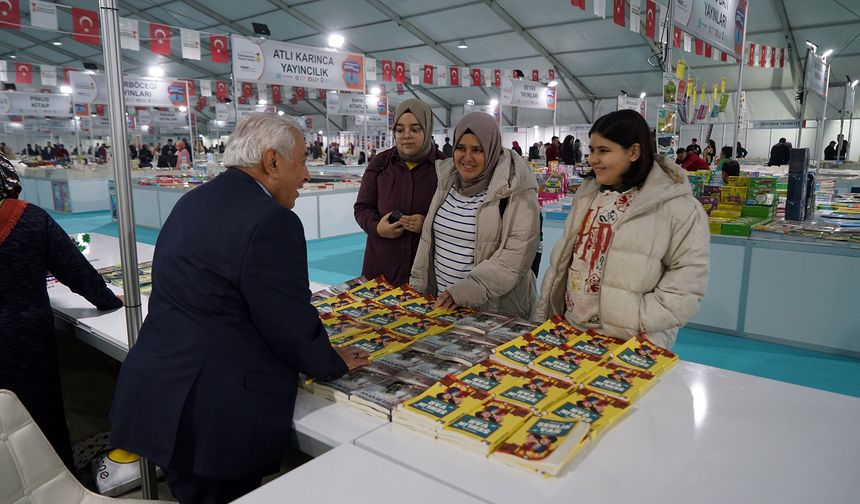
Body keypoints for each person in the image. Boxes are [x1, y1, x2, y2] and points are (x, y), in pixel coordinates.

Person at [109, 114, 368, 503]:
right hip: (215, 412)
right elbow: (287, 320)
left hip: (164, 393)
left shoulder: (194, 200)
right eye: (300, 161)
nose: (306, 174)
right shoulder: (271, 222)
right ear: (272, 161)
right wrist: (329, 361)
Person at [536, 110, 709, 350]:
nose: (593, 159)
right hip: (571, 329)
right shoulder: (588, 194)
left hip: (630, 340)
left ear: (634, 152)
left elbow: (687, 281)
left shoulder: (677, 207)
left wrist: (639, 319)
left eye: (603, 151)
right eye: (591, 150)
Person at [0, 153, 122, 471]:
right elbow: (78, 273)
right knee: (38, 420)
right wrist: (113, 304)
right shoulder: (29, 219)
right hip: (24, 344)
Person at [409, 112, 540, 320]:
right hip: (445, 307)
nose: (467, 157)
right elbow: (427, 243)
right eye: (461, 148)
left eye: (477, 150)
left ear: (492, 150)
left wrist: (464, 292)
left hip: (494, 312)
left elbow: (515, 258)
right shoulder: (447, 181)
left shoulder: (517, 191)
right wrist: (418, 288)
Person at [354, 99, 442, 286]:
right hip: (382, 268)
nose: (406, 136)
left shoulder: (444, 167)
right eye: (400, 130)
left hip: (427, 270)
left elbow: (458, 216)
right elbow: (362, 207)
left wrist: (427, 225)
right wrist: (377, 227)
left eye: (415, 129)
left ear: (427, 130)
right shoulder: (381, 163)